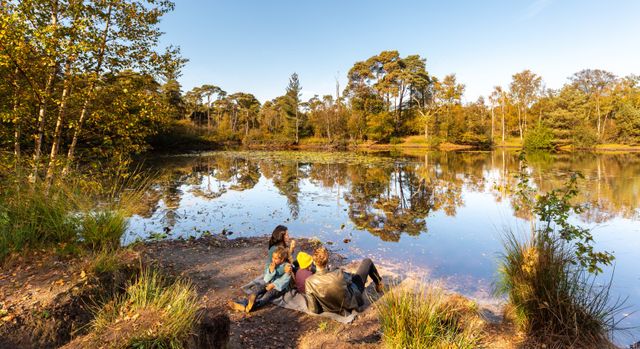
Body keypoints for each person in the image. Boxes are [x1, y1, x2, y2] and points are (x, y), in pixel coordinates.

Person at [304, 247, 384, 315]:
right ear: (327, 260)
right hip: (350, 304)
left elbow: (314, 310)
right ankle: (378, 283)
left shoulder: (309, 281)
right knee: (367, 261)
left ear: (314, 262)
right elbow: (350, 280)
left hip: (330, 309)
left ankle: (378, 283)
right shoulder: (338, 273)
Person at [229, 246, 292, 312]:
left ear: (282, 259)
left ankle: (248, 306)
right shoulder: (273, 264)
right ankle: (252, 297)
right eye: (273, 257)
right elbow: (266, 279)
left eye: (276, 258)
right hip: (269, 283)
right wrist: (271, 271)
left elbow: (285, 280)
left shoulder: (287, 267)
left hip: (278, 288)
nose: (273, 260)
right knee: (259, 288)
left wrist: (273, 285)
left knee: (267, 296)